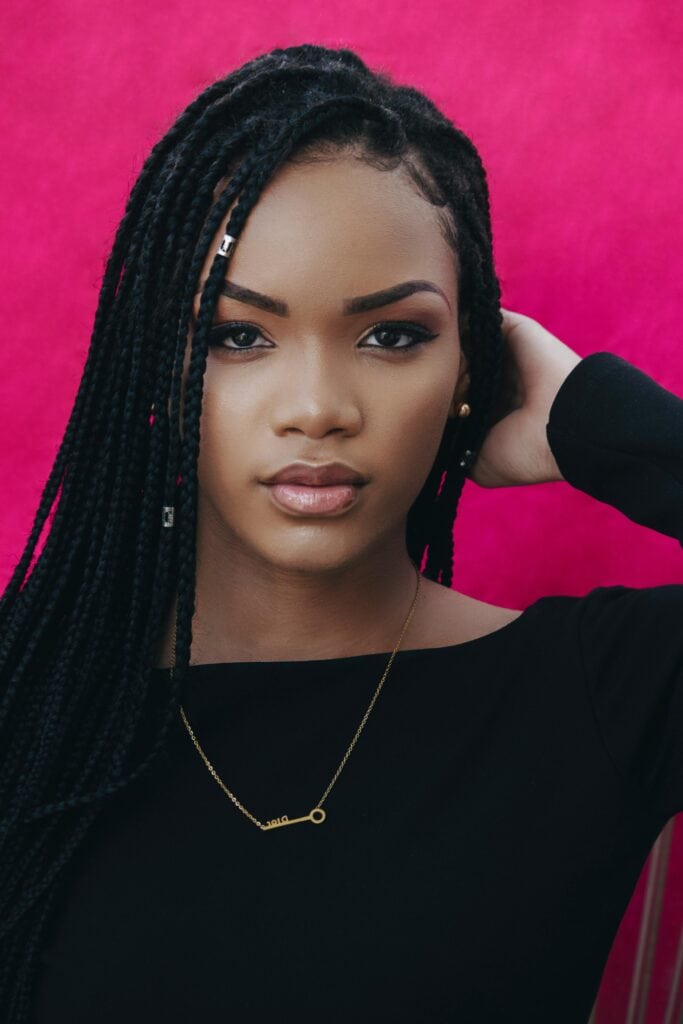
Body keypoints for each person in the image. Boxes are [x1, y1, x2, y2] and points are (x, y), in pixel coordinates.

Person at [0, 43, 680, 1024]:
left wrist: (596, 419)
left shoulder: (602, 689)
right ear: (154, 370)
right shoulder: (34, 693)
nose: (315, 407)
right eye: (238, 335)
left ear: (469, 369)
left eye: (391, 335)